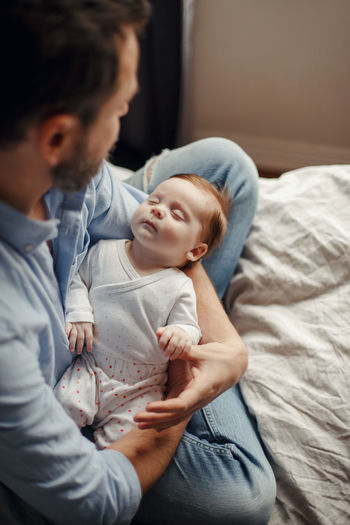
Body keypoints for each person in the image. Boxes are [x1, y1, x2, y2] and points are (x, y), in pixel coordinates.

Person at [0, 1, 276, 524]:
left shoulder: (67, 173)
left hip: (128, 287)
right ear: (58, 138)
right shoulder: (7, 331)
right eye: (120, 110)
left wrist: (226, 347)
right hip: (84, 374)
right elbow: (94, 500)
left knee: (228, 167)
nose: (124, 122)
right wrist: (180, 384)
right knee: (241, 497)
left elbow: (148, 226)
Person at [55, 174, 230, 449]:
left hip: (141, 387)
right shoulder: (104, 251)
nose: (158, 209)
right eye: (153, 200)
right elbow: (77, 279)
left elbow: (190, 326)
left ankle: (94, 470)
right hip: (91, 367)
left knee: (126, 444)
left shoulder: (179, 285)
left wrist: (180, 334)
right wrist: (79, 311)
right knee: (59, 409)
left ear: (195, 250)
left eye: (176, 213)